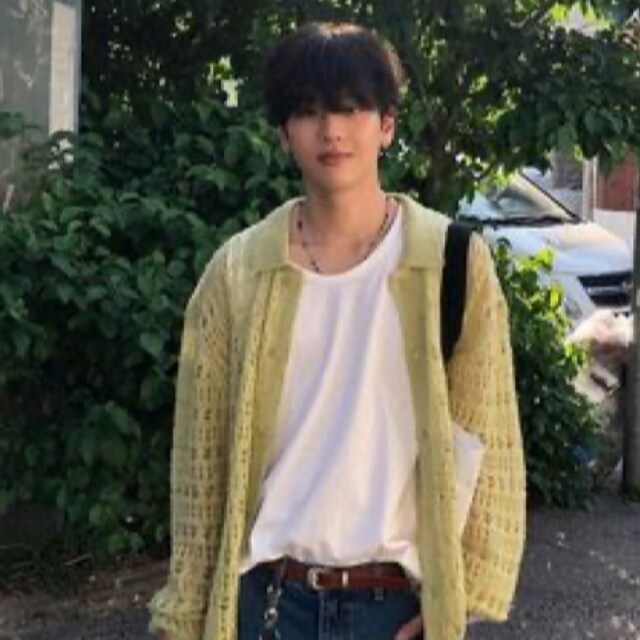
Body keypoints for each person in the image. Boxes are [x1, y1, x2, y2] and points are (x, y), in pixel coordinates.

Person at [149, 21, 526, 640]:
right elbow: (201, 464)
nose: (330, 130)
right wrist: (183, 614)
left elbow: (489, 438)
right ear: (283, 132)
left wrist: (459, 600)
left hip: (392, 608)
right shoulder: (237, 273)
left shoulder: (452, 262)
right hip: (268, 604)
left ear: (387, 124)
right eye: (307, 110)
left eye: (351, 107)